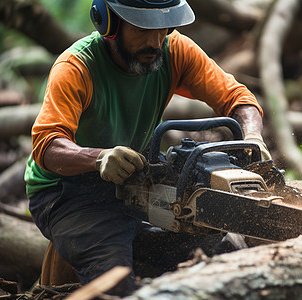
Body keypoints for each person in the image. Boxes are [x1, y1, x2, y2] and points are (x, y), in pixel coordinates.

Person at [24, 0, 271, 295]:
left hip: (135, 181)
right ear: (108, 22)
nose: (155, 40)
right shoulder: (76, 67)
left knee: (224, 250)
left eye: (162, 27)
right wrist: (99, 158)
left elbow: (237, 97)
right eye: (142, 28)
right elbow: (48, 145)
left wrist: (253, 136)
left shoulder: (173, 49)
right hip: (65, 192)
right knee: (116, 284)